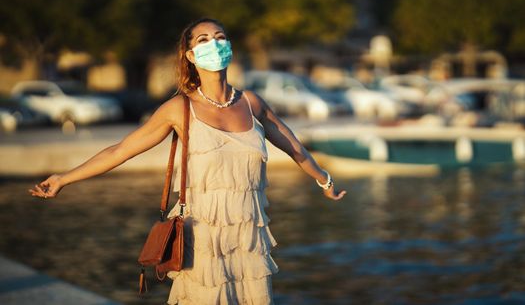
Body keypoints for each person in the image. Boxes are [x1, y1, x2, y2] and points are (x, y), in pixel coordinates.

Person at [29, 18, 347, 304]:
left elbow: (295, 149)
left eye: (220, 37)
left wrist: (325, 181)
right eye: (203, 40)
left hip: (248, 241)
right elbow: (120, 150)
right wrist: (63, 179)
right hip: (202, 241)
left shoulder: (251, 103)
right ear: (191, 57)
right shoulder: (179, 108)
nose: (215, 44)